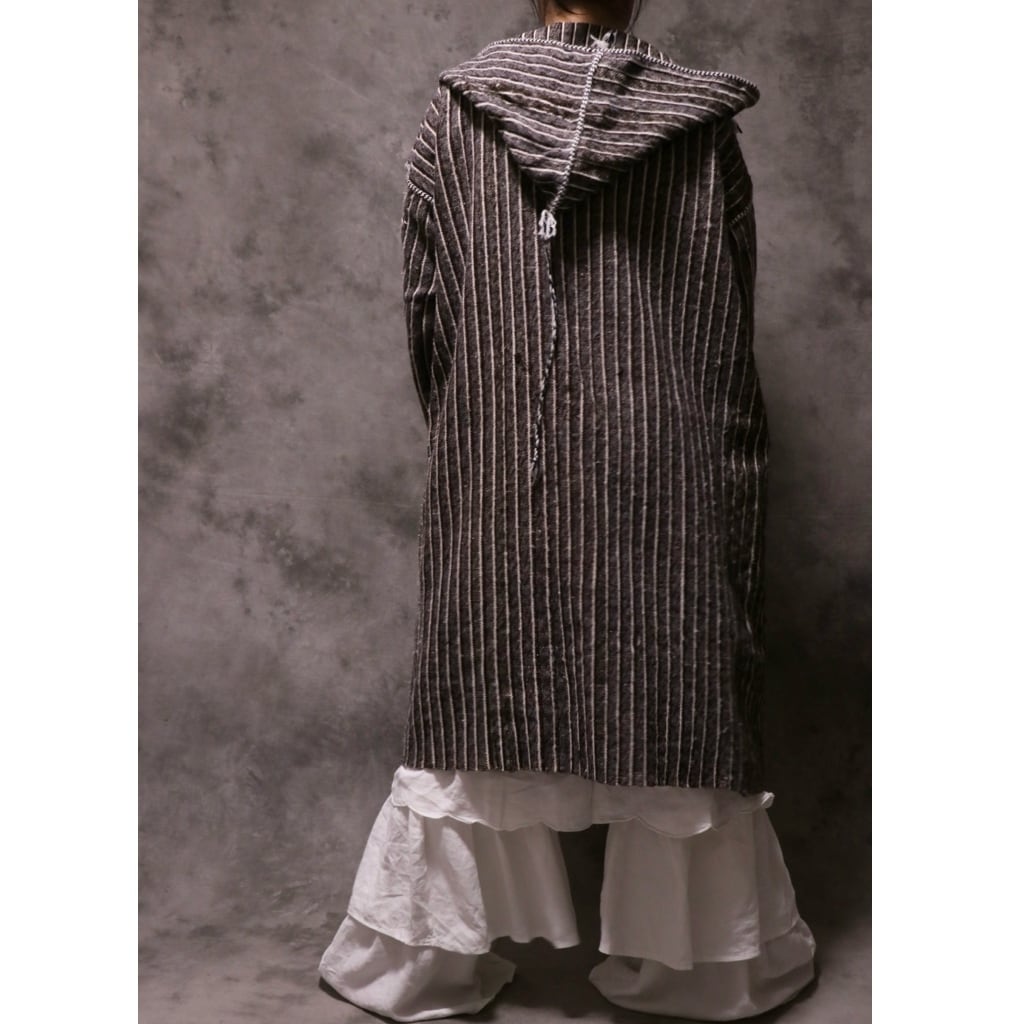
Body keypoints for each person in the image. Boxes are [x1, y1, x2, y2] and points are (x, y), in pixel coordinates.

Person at [319, 1, 818, 1019]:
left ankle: (425, 962)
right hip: (667, 463)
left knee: (480, 690)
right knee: (674, 694)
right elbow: (726, 325)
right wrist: (723, 459)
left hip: (503, 447)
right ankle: (703, 969)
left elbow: (427, 308)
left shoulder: (457, 114)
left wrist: (480, 427)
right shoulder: (700, 130)